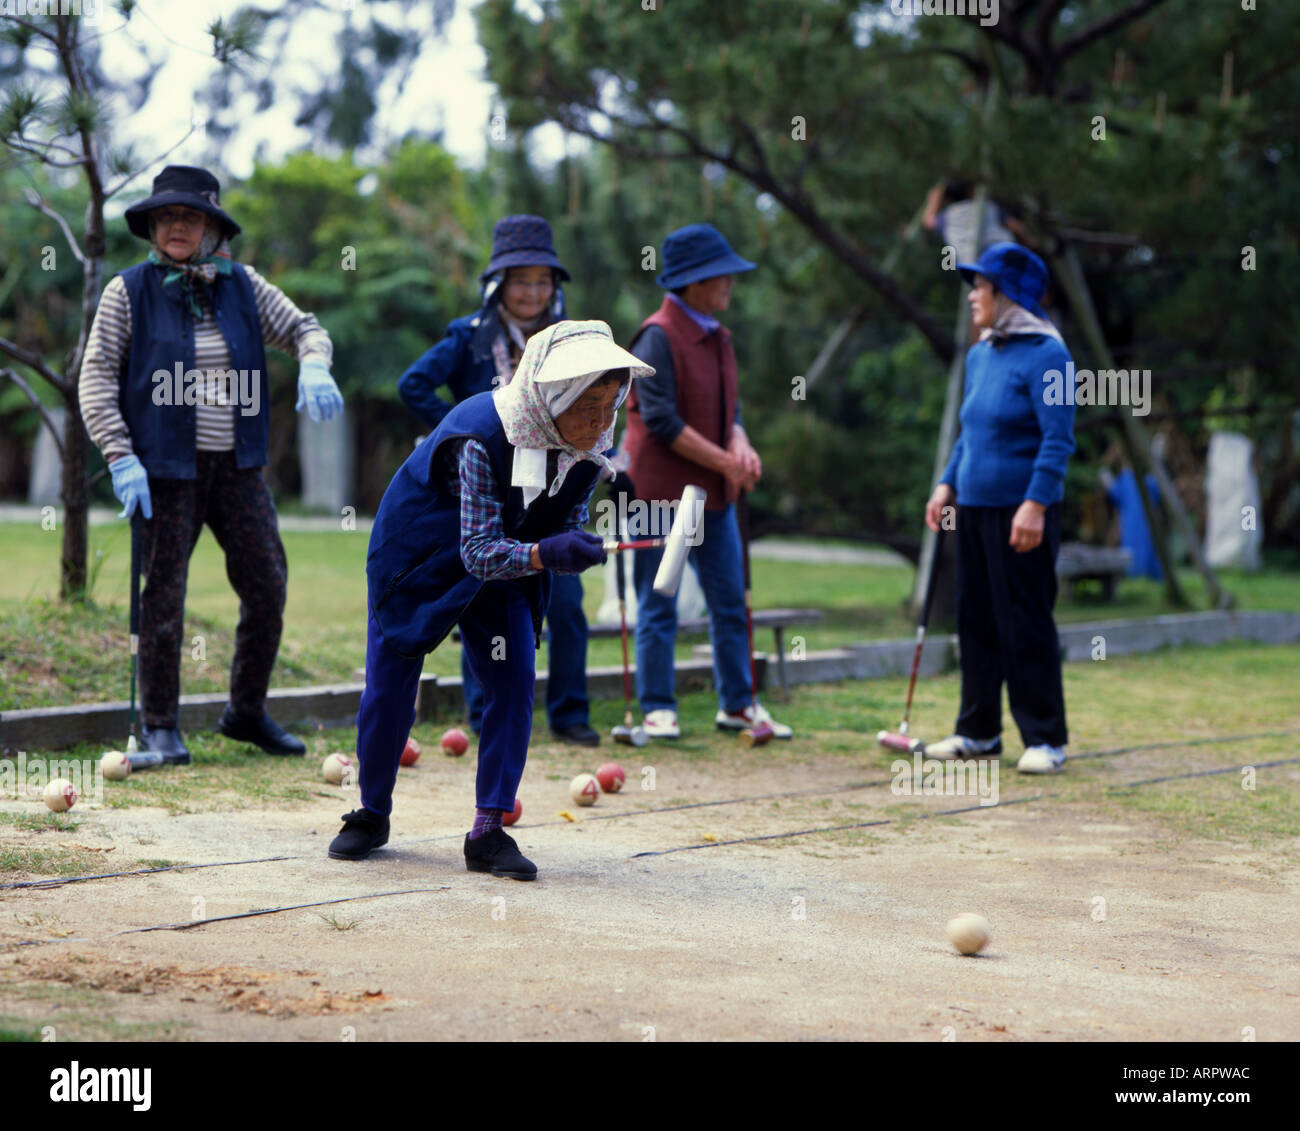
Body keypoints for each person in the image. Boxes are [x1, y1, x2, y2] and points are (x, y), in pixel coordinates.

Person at [330, 321, 648, 878]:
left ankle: (488, 832)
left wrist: (574, 545)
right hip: (419, 557)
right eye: (587, 406)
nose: (602, 421)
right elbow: (477, 550)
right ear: (553, 398)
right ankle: (370, 812)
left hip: (510, 563)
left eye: (610, 403)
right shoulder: (480, 436)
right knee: (391, 682)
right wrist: (549, 553)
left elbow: (560, 524)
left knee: (513, 678)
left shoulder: (589, 448)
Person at [79, 165, 343, 764]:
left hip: (239, 467)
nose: (178, 225)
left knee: (267, 586)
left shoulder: (242, 285)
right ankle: (162, 727)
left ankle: (244, 713)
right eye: (167, 216)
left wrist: (315, 361)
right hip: (164, 469)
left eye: (190, 216)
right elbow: (95, 377)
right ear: (151, 225)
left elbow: (305, 328)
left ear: (210, 228)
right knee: (164, 597)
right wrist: (120, 456)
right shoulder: (129, 291)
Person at [397, 215, 602, 747]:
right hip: (486, 489)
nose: (533, 291)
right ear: (499, 284)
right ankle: (486, 716)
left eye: (542, 281)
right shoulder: (468, 338)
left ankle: (570, 713)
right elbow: (413, 382)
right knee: (479, 599)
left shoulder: (569, 343)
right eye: (521, 280)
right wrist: (455, 431)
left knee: (567, 602)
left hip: (550, 493)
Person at [623, 223, 792, 741]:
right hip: (663, 498)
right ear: (692, 281)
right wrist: (727, 462)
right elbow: (661, 421)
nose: (731, 283)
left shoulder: (718, 336)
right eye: (722, 275)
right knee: (660, 602)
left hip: (714, 498)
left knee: (729, 600)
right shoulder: (657, 334)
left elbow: (730, 408)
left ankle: (738, 705)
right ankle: (657, 708)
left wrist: (740, 445)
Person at [923, 242, 1076, 774]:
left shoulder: (1049, 355)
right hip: (975, 509)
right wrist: (946, 484)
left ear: (1008, 294)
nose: (972, 296)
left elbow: (1058, 441)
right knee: (977, 621)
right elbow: (971, 432)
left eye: (981, 287)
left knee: (1025, 622)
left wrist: (1035, 505)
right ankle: (978, 731)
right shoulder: (982, 353)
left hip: (1023, 513)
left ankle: (1045, 738)